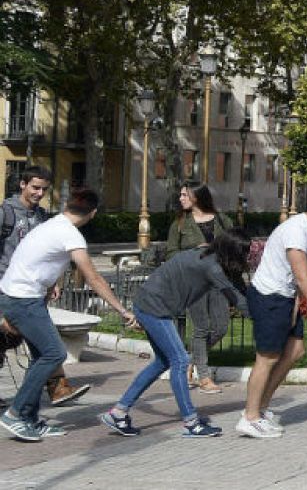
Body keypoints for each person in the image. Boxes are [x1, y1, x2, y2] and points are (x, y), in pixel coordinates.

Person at [0, 189, 137, 441]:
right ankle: (15, 414)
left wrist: (50, 283)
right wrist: (122, 309)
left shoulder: (52, 224)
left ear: (68, 205)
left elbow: (36, 259)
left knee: (42, 355)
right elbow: (93, 278)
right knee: (55, 353)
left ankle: (29, 418)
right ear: (93, 213)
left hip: (19, 295)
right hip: (23, 300)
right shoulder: (70, 234)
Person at [101, 228, 249, 439]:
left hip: (148, 303)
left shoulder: (208, 253)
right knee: (180, 360)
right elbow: (236, 298)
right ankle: (191, 423)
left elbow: (237, 286)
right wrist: (265, 316)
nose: (245, 256)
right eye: (243, 251)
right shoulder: (212, 267)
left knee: (163, 362)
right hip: (155, 308)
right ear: (232, 251)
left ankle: (118, 412)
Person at [238, 184, 307, 438]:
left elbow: (294, 277)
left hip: (284, 297)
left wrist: (296, 304)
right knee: (267, 358)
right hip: (269, 297)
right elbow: (301, 275)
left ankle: (261, 409)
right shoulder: (298, 230)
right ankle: (249, 417)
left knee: (296, 351)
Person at [0, 166, 90, 407]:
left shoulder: (41, 217)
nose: (39, 193)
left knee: (41, 341)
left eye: (44, 189)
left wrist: (54, 283)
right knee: (11, 340)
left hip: (32, 291)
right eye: (35, 187)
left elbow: (51, 254)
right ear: (22, 185)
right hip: (7, 288)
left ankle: (52, 390)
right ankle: (49, 392)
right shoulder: (6, 213)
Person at [166, 182, 233, 395]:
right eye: (181, 195)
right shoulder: (179, 223)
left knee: (221, 327)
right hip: (193, 282)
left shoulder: (222, 219)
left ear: (197, 196)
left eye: (185, 194)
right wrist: (194, 252)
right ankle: (204, 377)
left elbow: (234, 245)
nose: (181, 198)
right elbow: (170, 254)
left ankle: (189, 362)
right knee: (201, 327)